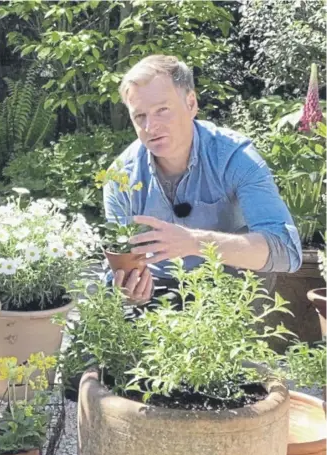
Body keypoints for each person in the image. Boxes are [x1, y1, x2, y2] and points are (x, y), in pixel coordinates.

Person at [103, 55, 302, 305]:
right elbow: (119, 261)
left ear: (191, 103)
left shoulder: (235, 157)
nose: (151, 126)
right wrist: (130, 291)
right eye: (140, 116)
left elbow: (286, 250)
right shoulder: (121, 177)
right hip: (158, 291)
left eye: (162, 110)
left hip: (232, 287)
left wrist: (194, 242)